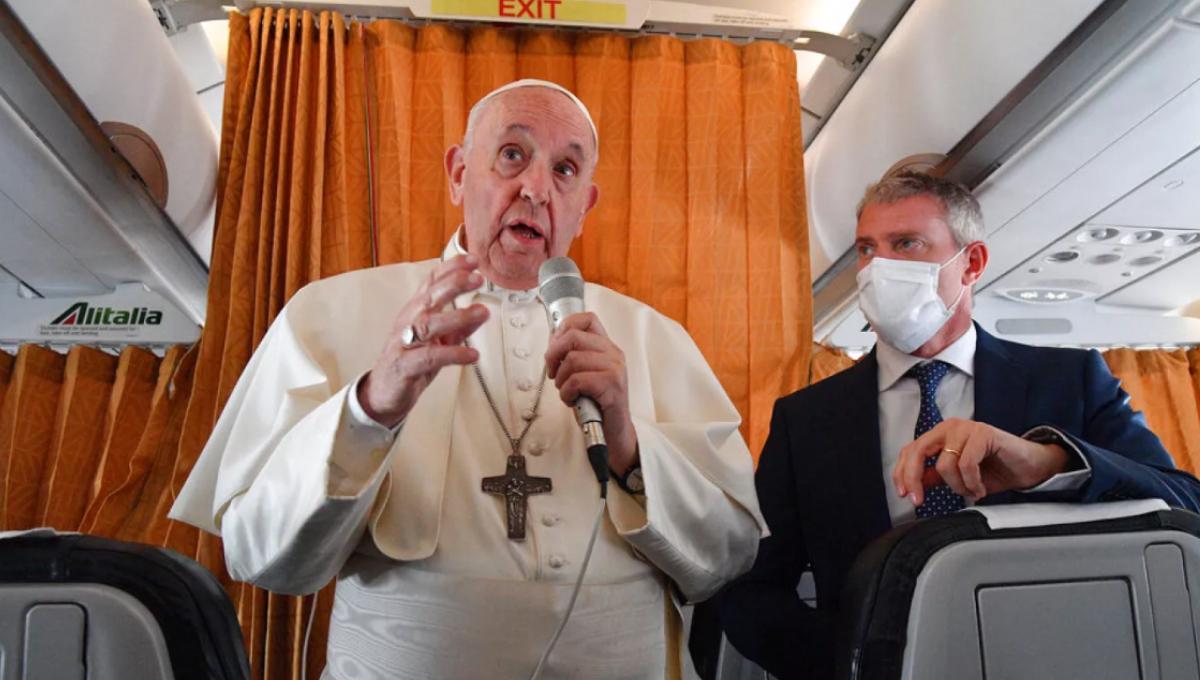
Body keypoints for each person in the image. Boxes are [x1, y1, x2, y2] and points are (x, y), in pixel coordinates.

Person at [170, 79, 765, 680]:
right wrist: (368, 411)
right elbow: (258, 555)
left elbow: (728, 556)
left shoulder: (654, 336)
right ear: (458, 174)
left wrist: (629, 450)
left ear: (584, 206)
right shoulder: (326, 312)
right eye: (512, 154)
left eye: (564, 170)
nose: (536, 188)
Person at [716, 170, 1200, 679]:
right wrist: (851, 664)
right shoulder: (806, 419)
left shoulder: (1069, 379)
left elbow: (1184, 504)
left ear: (971, 263)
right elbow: (752, 589)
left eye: (906, 244)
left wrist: (1050, 464)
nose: (879, 267)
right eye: (866, 249)